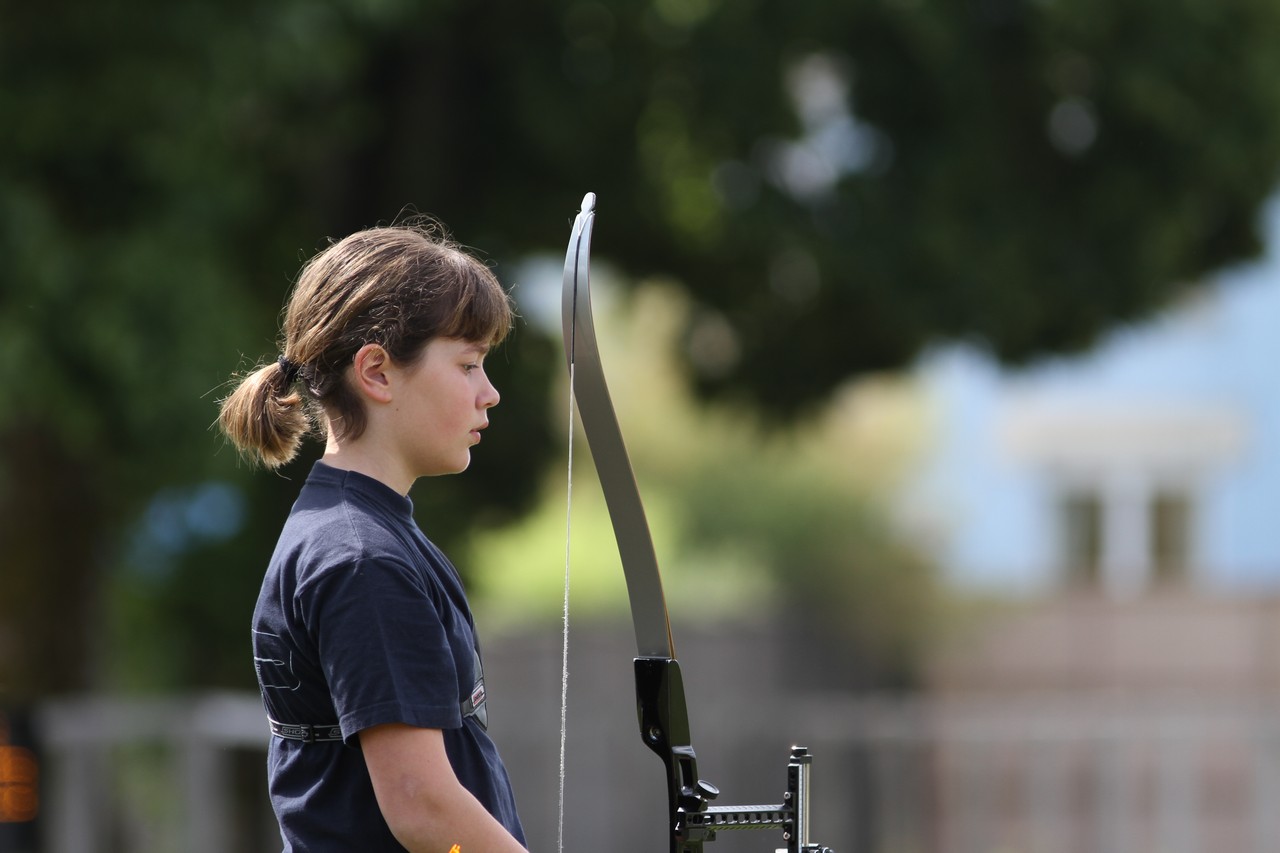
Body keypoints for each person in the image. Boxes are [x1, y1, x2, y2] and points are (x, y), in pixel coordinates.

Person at [218, 221, 528, 852]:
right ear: (378, 373)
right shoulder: (361, 558)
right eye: (468, 365)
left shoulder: (365, 534)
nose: (488, 394)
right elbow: (420, 806)